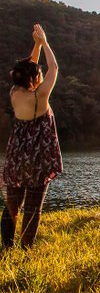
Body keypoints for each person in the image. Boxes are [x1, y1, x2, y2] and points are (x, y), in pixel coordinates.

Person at [1, 24, 62, 248]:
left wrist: (35, 44)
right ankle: (27, 246)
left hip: (17, 154)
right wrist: (44, 42)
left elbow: (31, 67)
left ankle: (7, 245)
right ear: (34, 78)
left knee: (12, 204)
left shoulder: (15, 93)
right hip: (37, 157)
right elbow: (53, 67)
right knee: (33, 206)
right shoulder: (41, 96)